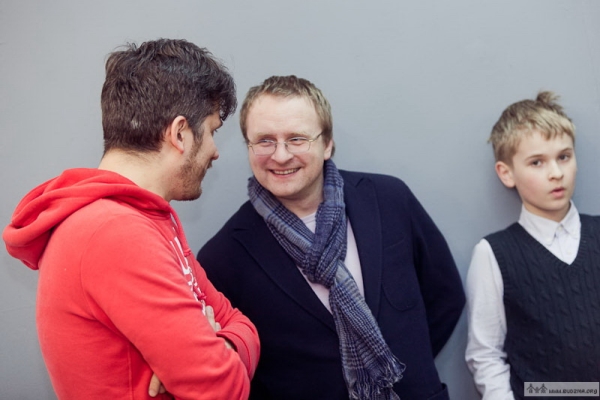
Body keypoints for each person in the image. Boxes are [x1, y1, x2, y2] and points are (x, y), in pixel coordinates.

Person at [3, 39, 260, 400]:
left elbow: (240, 323)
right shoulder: (114, 233)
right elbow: (225, 389)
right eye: (213, 131)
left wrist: (225, 344)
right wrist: (214, 350)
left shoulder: (148, 219)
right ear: (180, 134)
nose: (215, 151)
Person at [197, 75, 465, 400]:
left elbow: (446, 295)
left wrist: (398, 368)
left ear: (327, 144)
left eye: (297, 139)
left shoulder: (389, 200)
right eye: (265, 141)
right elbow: (234, 363)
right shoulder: (224, 256)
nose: (280, 155)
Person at [465, 91, 600, 399]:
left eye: (564, 157)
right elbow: (485, 355)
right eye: (537, 162)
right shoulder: (493, 254)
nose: (556, 173)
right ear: (507, 173)